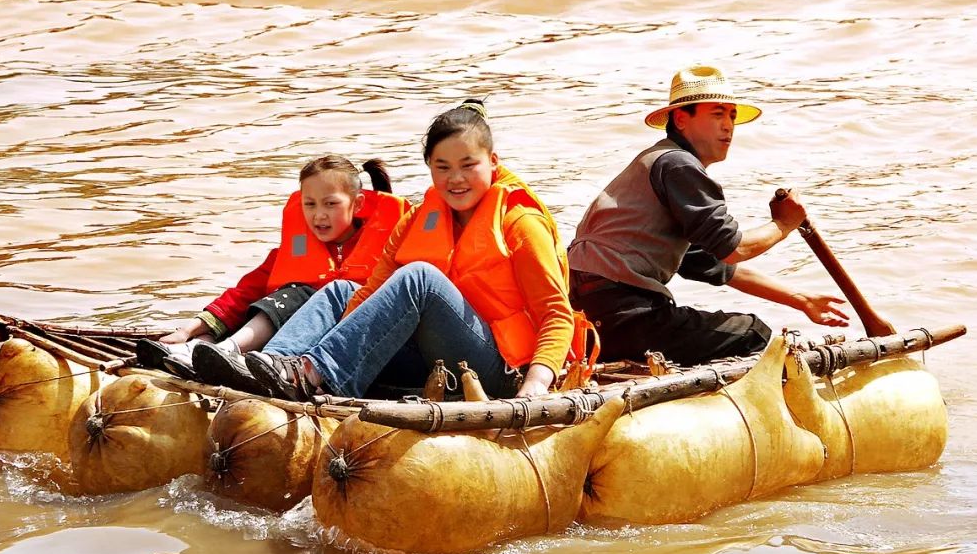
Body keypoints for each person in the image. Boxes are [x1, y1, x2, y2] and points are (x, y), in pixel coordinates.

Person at [243, 99, 582, 401]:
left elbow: (556, 314)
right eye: (443, 167)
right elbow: (369, 294)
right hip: (431, 363)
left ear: (492, 162)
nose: (456, 179)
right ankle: (271, 366)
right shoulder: (416, 221)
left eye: (468, 165)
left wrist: (535, 385)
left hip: (500, 372)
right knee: (342, 291)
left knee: (419, 277)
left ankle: (315, 374)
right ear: (430, 167)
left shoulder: (520, 223)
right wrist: (332, 344)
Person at [567, 63, 850, 366]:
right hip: (625, 315)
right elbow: (734, 248)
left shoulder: (656, 165)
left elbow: (718, 267)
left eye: (731, 115)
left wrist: (801, 299)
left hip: (591, 320)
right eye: (717, 114)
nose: (728, 126)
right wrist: (783, 224)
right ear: (680, 119)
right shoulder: (678, 164)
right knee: (753, 334)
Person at [135, 156, 410, 393]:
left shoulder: (390, 246)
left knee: (298, 294)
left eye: (330, 204)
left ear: (358, 204)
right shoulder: (293, 250)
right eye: (310, 204)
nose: (319, 215)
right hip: (287, 339)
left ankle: (233, 352)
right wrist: (188, 329)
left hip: (342, 347)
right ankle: (194, 349)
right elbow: (245, 292)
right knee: (255, 305)